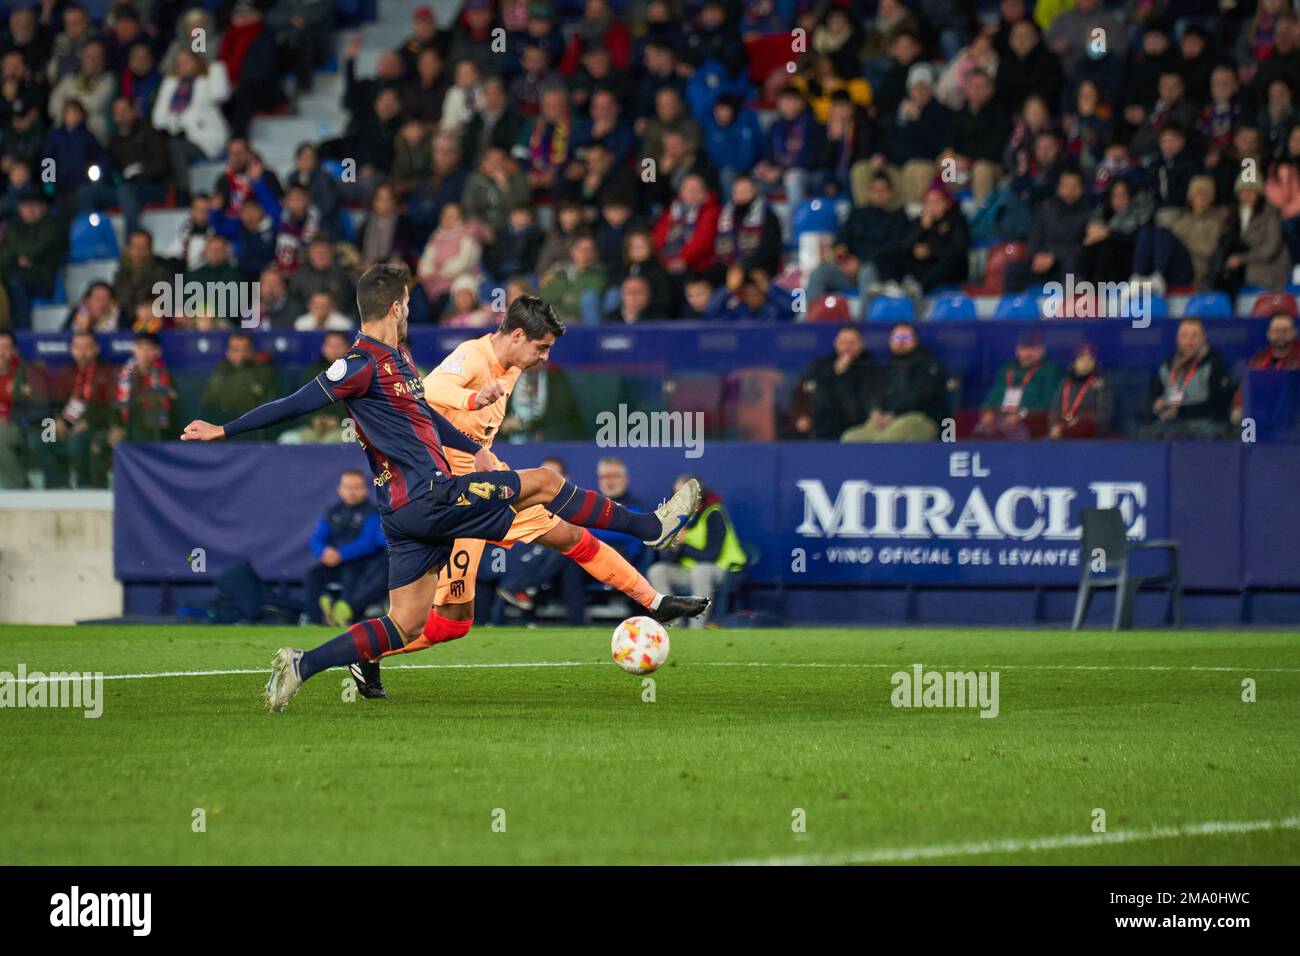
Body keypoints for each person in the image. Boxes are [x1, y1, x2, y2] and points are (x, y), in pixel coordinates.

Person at [180, 267, 704, 712]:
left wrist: (472, 445)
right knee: (546, 484)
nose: (410, 306)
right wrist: (224, 429)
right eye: (406, 300)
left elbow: (427, 418)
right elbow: (297, 402)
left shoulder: (399, 362)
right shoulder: (361, 364)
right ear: (393, 305)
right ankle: (651, 528)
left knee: (406, 623)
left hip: (408, 513)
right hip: (436, 496)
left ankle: (303, 664)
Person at [352, 317, 708, 696]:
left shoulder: (511, 368)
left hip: (487, 485)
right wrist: (470, 400)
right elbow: (426, 395)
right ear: (518, 335)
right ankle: (365, 652)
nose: (545, 357)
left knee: (571, 535)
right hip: (453, 498)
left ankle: (656, 601)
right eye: (541, 348)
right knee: (451, 623)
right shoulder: (472, 357)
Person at [649, 476, 747, 628]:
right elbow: (666, 559)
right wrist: (674, 546)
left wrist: (684, 542)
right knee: (657, 571)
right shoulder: (677, 519)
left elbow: (712, 555)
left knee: (701, 571)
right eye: (676, 495)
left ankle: (697, 627)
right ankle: (674, 624)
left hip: (722, 570)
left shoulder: (714, 513)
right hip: (690, 572)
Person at [303, 470, 389, 629]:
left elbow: (368, 543)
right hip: (334, 562)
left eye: (356, 487)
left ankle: (344, 613)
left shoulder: (372, 512)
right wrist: (323, 552)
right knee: (313, 574)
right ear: (339, 489)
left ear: (366, 490)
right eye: (348, 487)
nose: (352, 491)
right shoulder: (332, 511)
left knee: (351, 573)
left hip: (363, 564)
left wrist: (341, 554)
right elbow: (317, 538)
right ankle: (313, 619)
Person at [841, 323, 947, 442]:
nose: (901, 342)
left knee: (886, 440)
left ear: (915, 341)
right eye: (897, 338)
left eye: (906, 338)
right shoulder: (886, 367)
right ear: (890, 341)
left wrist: (893, 413)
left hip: (916, 418)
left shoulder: (927, 365)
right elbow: (874, 393)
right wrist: (875, 410)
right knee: (850, 438)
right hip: (885, 420)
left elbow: (920, 396)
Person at [1141, 317, 1234, 439]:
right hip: (1169, 423)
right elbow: (1153, 396)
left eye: (1194, 336)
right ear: (1177, 339)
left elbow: (1218, 406)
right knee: (1146, 433)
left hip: (1203, 423)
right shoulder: (1167, 365)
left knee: (1180, 435)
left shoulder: (1215, 364)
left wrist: (1180, 412)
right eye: (1184, 336)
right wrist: (1157, 405)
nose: (1189, 341)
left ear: (1203, 339)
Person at [974, 330, 1061, 440]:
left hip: (1029, 422)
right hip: (1000, 417)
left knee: (1012, 432)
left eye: (1033, 349)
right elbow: (994, 394)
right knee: (980, 432)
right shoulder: (1007, 368)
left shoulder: (1050, 370)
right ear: (1017, 350)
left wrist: (1022, 414)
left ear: (1042, 350)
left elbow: (1049, 403)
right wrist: (988, 411)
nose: (1028, 353)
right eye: (1024, 349)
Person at [791, 325, 874, 439]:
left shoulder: (868, 368)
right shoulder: (821, 366)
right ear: (835, 343)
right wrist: (800, 415)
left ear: (861, 345)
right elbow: (803, 390)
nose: (847, 347)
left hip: (853, 426)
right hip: (819, 425)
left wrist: (842, 375)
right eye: (844, 342)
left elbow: (860, 405)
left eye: (852, 343)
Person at [1232, 313, 1300, 425]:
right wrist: (1238, 408)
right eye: (1276, 331)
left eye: (1285, 331)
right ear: (1268, 334)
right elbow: (1242, 394)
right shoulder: (1257, 361)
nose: (1280, 335)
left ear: (1293, 333)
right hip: (1261, 419)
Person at [1047, 343, 1110, 439]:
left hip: (1087, 434)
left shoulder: (1101, 385)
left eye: (1090, 360)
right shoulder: (1064, 383)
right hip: (1061, 430)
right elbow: (1054, 408)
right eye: (1081, 359)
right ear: (1074, 362)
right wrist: (1055, 424)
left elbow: (1104, 415)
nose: (1086, 363)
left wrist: (1079, 420)